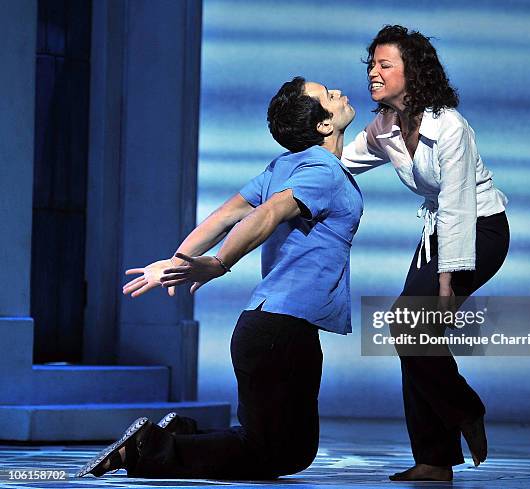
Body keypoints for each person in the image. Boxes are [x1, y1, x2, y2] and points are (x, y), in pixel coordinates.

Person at [77, 77, 363, 480]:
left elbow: (227, 213)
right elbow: (265, 215)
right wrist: (217, 262)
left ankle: (178, 433)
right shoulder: (322, 171)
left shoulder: (285, 165)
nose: (338, 93)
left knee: (288, 449)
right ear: (322, 125)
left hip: (274, 328)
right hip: (280, 330)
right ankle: (147, 449)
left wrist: (176, 260)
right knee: (273, 452)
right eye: (328, 95)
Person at [342, 25, 510, 482]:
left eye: (384, 65)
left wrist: (446, 284)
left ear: (412, 73)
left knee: (407, 323)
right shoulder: (385, 126)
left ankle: (465, 408)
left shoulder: (450, 126)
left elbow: (458, 205)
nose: (373, 73)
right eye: (371, 65)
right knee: (415, 335)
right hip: (440, 234)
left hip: (481, 230)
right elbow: (342, 166)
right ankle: (435, 459)